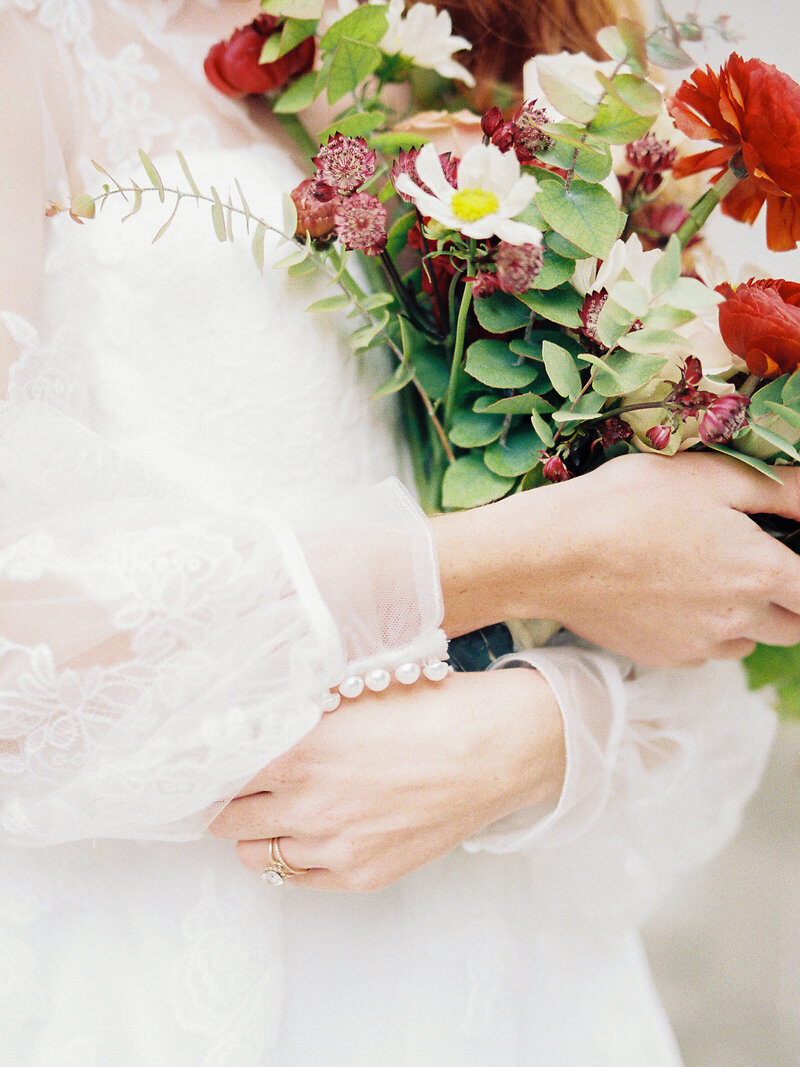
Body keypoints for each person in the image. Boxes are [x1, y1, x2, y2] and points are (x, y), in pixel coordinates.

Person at [0, 0, 794, 1063]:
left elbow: (707, 589)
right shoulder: (33, 51)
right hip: (156, 969)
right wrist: (543, 554)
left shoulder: (531, 66)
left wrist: (545, 726)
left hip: (502, 981)